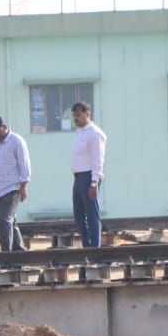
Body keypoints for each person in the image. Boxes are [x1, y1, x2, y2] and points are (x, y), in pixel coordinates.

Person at [0, 115, 31, 252]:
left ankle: (6, 254)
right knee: (11, 221)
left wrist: (24, 187)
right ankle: (19, 250)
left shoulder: (16, 141)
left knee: (4, 220)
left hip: (13, 188)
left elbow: (25, 165)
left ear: (5, 127)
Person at [70, 101, 107, 248]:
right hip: (78, 177)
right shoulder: (80, 132)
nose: (76, 118)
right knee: (79, 215)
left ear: (87, 114)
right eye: (74, 115)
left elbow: (98, 159)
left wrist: (94, 182)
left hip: (89, 177)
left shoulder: (95, 133)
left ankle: (94, 248)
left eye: (78, 115)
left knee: (92, 214)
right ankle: (87, 245)